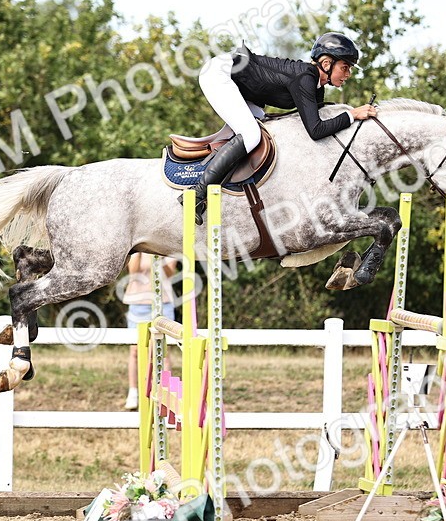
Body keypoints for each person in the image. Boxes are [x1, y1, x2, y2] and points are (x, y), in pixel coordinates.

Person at [186, 31, 379, 223]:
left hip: (242, 86)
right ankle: (196, 195)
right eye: (345, 67)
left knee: (265, 130)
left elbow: (320, 131)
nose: (348, 74)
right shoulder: (306, 78)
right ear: (327, 64)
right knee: (251, 135)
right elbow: (316, 130)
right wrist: (352, 114)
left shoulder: (316, 86)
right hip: (220, 73)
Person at [122, 253, 177, 410]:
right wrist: (140, 252)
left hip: (164, 303)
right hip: (138, 303)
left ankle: (165, 393)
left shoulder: (168, 248)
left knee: (164, 351)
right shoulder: (137, 249)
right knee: (135, 350)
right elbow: (133, 273)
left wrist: (160, 257)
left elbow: (170, 273)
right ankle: (133, 392)